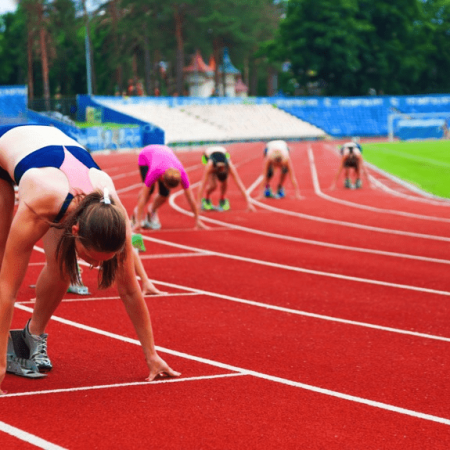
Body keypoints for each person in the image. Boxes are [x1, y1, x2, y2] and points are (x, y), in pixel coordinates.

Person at [0, 124, 180, 395]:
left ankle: (30, 338)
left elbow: (130, 290)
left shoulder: (114, 217)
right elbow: (8, 292)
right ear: (75, 230)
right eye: (91, 259)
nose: (95, 267)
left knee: (63, 270)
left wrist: (151, 355)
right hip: (8, 148)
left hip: (53, 153)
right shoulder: (41, 201)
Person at [132, 144, 206, 231]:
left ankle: (152, 211)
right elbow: (144, 195)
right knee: (149, 190)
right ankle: (136, 213)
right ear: (162, 178)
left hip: (163, 154)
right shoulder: (154, 171)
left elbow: (190, 198)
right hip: (146, 155)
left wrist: (198, 220)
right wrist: (138, 221)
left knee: (165, 194)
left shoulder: (181, 173)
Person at [197, 146, 255, 212]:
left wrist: (249, 203)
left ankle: (222, 199)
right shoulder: (210, 166)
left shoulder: (229, 165)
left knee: (225, 183)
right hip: (206, 156)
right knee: (213, 185)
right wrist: (198, 205)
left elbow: (239, 183)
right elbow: (203, 184)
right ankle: (206, 200)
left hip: (224, 153)